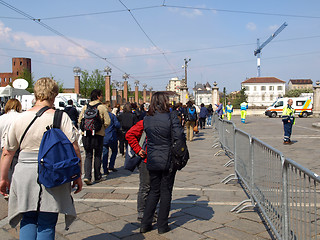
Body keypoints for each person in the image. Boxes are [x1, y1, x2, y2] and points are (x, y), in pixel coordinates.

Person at [0, 77, 82, 240]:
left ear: (35, 94)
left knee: (28, 218)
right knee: (47, 220)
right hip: (53, 170)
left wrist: (3, 178)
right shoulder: (60, 117)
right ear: (54, 95)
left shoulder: (19, 118)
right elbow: (74, 148)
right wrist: (78, 174)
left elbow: (7, 152)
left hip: (25, 172)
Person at [140, 92, 185, 234]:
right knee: (166, 192)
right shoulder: (171, 116)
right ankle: (162, 225)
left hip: (152, 157)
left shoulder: (147, 118)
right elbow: (179, 136)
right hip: (168, 158)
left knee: (154, 191)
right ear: (165, 101)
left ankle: (145, 224)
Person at [78, 89, 110, 185]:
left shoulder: (85, 107)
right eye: (101, 95)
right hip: (98, 135)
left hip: (86, 135)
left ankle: (87, 176)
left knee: (88, 155)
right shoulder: (102, 107)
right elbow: (107, 121)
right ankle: (97, 176)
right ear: (98, 96)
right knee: (97, 155)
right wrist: (101, 128)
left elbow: (80, 120)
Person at [0, 99, 22, 182]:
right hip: (18, 146)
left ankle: (5, 185)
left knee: (6, 169)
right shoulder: (21, 117)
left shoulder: (2, 118)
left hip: (4, 146)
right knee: (16, 170)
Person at [102, 104, 120, 175]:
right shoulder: (112, 116)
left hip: (103, 136)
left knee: (105, 153)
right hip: (112, 136)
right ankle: (111, 165)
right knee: (114, 151)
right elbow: (117, 125)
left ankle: (105, 169)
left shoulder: (102, 116)